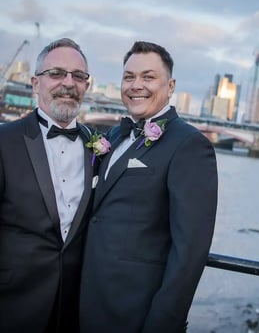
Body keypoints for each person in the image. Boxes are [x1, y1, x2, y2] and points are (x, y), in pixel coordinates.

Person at [80, 41, 218, 332]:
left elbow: (189, 252)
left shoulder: (190, 145)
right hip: (86, 305)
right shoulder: (115, 135)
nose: (136, 85)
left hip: (135, 315)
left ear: (170, 86)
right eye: (129, 77)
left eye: (148, 77)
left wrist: (162, 324)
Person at [0, 37, 99, 333]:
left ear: (86, 86)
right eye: (56, 73)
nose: (68, 83)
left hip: (74, 310)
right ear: (35, 83)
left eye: (78, 76)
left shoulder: (99, 148)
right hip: (11, 303)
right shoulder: (4, 141)